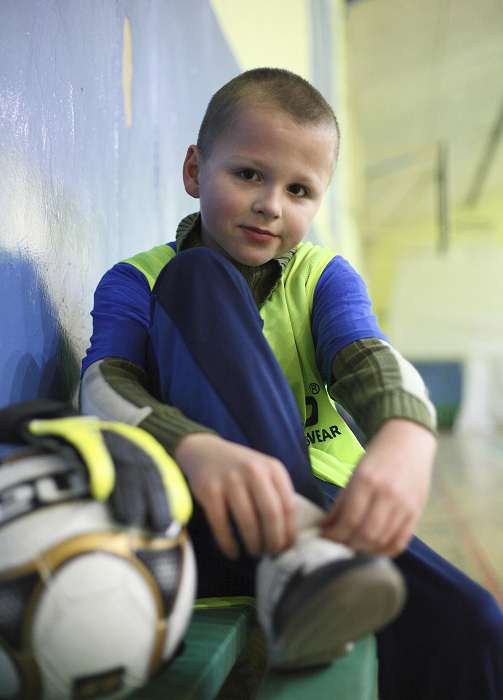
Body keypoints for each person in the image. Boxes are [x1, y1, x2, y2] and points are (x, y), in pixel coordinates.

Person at [80, 68, 503, 697]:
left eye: (299, 189)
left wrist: (408, 433)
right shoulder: (142, 279)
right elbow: (101, 389)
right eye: (248, 173)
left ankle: (301, 553)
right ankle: (294, 558)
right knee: (198, 277)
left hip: (328, 523)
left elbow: (368, 356)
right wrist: (193, 445)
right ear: (196, 170)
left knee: (474, 623)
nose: (271, 204)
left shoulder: (322, 275)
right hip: (200, 511)